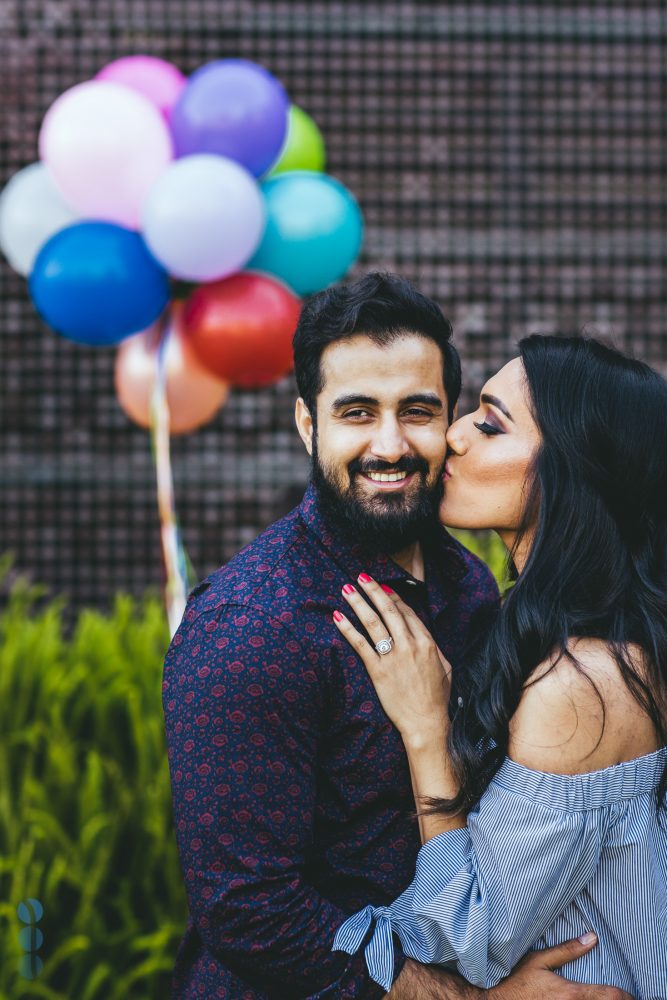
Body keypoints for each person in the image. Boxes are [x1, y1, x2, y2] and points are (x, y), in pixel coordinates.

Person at [163, 273, 634, 999]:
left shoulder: (467, 585)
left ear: (448, 419)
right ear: (306, 424)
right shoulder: (252, 626)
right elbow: (249, 908)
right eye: (356, 412)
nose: (389, 445)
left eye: (416, 411)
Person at [331, 335, 667, 999]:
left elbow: (465, 939)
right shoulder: (584, 636)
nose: (452, 435)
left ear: (575, 473)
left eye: (489, 423)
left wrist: (425, 730)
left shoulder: (586, 683)